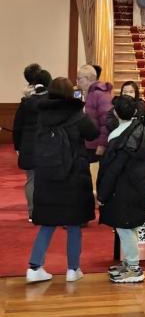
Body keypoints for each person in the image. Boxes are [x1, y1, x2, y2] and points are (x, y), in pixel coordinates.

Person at [26, 77, 99, 284]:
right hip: (73, 175)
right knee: (74, 224)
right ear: (69, 93)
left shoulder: (41, 113)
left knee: (47, 223)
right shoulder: (76, 113)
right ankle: (72, 269)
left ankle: (35, 267)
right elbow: (93, 133)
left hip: (47, 175)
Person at [98, 94, 145, 284]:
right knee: (128, 227)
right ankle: (128, 263)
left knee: (125, 229)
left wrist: (102, 194)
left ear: (116, 112)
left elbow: (112, 170)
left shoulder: (119, 137)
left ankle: (134, 268)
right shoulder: (140, 131)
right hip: (136, 186)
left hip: (123, 189)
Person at [14, 67, 52, 220]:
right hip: (48, 145)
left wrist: (17, 146)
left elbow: (17, 126)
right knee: (48, 179)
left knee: (31, 179)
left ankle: (32, 212)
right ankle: (47, 209)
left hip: (29, 145)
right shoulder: (52, 102)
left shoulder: (26, 103)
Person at [77, 64, 112, 188]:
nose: (77, 82)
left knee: (95, 180)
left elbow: (106, 122)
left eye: (79, 79)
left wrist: (102, 144)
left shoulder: (100, 94)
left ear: (87, 79)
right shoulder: (88, 93)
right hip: (87, 144)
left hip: (96, 145)